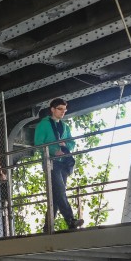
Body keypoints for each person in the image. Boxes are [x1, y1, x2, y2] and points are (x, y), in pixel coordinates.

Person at [33, 98, 83, 231]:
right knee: (60, 192)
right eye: (60, 109)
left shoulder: (65, 126)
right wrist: (55, 151)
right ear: (52, 109)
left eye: (65, 110)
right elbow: (38, 144)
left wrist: (65, 146)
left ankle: (48, 226)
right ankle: (71, 220)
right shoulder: (43, 125)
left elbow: (72, 142)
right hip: (51, 162)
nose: (63, 112)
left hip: (63, 163)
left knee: (56, 195)